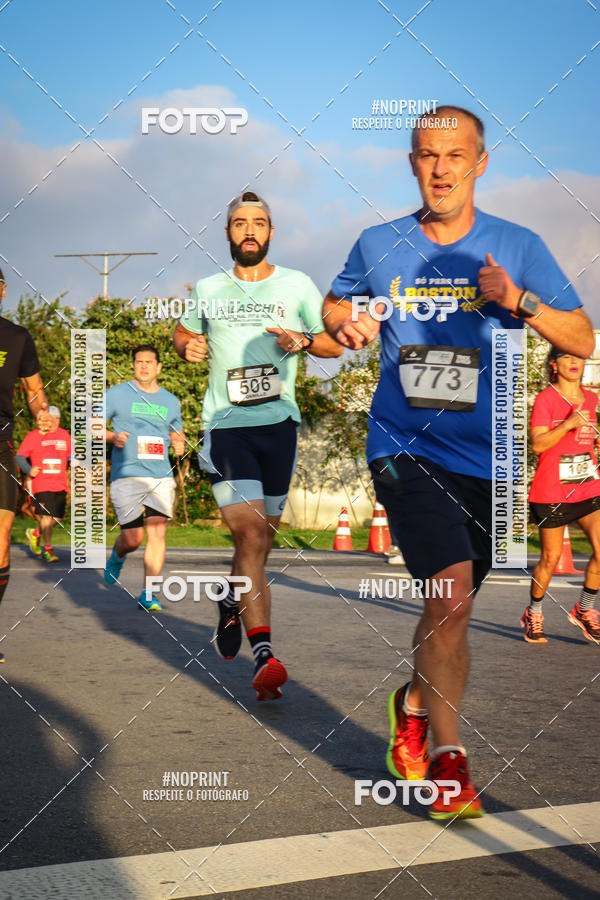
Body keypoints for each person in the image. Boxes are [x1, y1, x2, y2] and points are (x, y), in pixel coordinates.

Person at [322, 106, 594, 819]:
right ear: (412, 162)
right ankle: (449, 760)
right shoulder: (378, 243)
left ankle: (412, 703)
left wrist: (520, 301)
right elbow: (334, 304)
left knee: (453, 610)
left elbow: (583, 337)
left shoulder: (518, 244)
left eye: (453, 155)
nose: (439, 168)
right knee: (447, 591)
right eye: (424, 155)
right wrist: (342, 322)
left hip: (491, 457)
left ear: (480, 162)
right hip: (406, 446)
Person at [174, 191, 342, 701]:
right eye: (240, 223)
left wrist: (306, 340)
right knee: (249, 536)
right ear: (227, 233)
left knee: (260, 543)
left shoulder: (297, 286)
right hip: (225, 428)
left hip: (279, 426)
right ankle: (265, 654)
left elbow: (334, 343)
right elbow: (181, 333)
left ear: (271, 232)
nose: (250, 230)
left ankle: (230, 597)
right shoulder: (207, 288)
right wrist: (189, 346)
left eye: (260, 223)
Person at [524, 347, 600, 645]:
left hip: (588, 486)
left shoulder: (592, 397)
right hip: (552, 490)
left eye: (578, 359)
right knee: (550, 559)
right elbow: (538, 445)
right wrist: (568, 424)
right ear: (554, 364)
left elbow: (588, 440)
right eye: (567, 358)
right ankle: (534, 612)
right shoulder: (546, 400)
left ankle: (584, 609)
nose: (574, 363)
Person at [103, 345, 185, 611]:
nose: (144, 366)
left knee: (157, 532)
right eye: (139, 362)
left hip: (160, 476)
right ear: (133, 366)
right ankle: (117, 555)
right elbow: (92, 426)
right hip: (126, 474)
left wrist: (179, 442)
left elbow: (176, 430)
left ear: (159, 367)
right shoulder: (116, 394)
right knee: (133, 539)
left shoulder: (171, 401)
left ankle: (149, 594)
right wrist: (112, 437)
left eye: (150, 362)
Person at [0, 267, 48, 661]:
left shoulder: (17, 338)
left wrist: (42, 413)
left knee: (0, 546)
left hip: (0, 448)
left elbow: (34, 392)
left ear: (1, 291)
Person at [17, 405, 71, 562]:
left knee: (58, 518)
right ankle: (48, 550)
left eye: (57, 418)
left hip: (60, 484)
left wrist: (74, 461)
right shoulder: (33, 436)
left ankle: (35, 533)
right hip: (41, 483)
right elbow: (20, 457)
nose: (54, 422)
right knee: (46, 516)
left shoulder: (64, 435)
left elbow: (71, 455)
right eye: (51, 418)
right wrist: (29, 469)